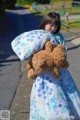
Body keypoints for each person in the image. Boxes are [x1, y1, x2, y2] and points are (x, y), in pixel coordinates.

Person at [29, 12, 80, 120]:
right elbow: (33, 51)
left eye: (55, 25)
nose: (53, 27)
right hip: (44, 72)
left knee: (65, 90)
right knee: (44, 93)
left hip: (59, 70)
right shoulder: (39, 35)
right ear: (44, 23)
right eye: (50, 24)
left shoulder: (59, 36)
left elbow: (63, 51)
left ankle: (69, 112)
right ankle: (44, 114)